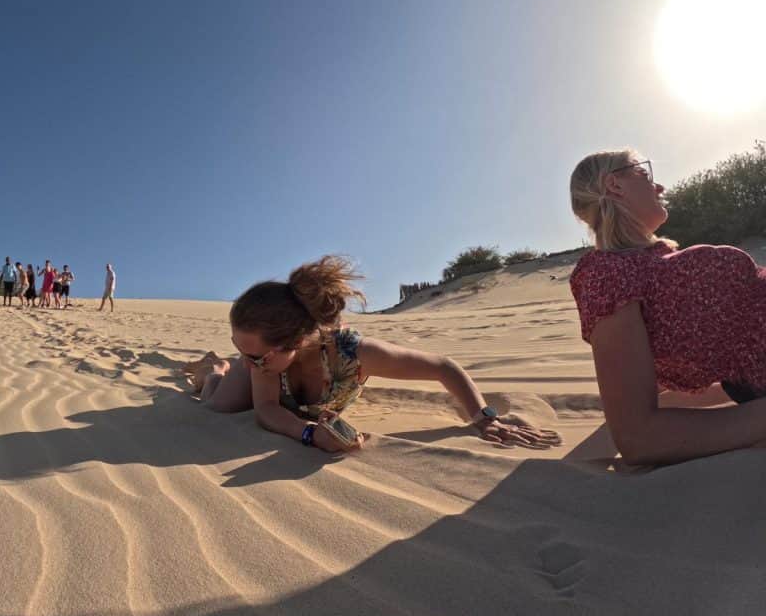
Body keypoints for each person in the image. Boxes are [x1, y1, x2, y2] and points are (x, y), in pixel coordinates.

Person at [189, 255, 560, 452]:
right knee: (216, 405)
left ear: (297, 340)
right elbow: (267, 409)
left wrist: (484, 418)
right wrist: (308, 434)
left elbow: (445, 368)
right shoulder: (264, 363)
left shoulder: (355, 354)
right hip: (255, 382)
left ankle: (218, 368)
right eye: (242, 350)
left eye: (256, 356)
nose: (254, 363)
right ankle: (216, 370)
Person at [569, 150, 766, 466]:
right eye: (644, 174)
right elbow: (638, 435)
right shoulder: (607, 273)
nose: (658, 187)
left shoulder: (648, 264)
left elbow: (730, 367)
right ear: (614, 184)